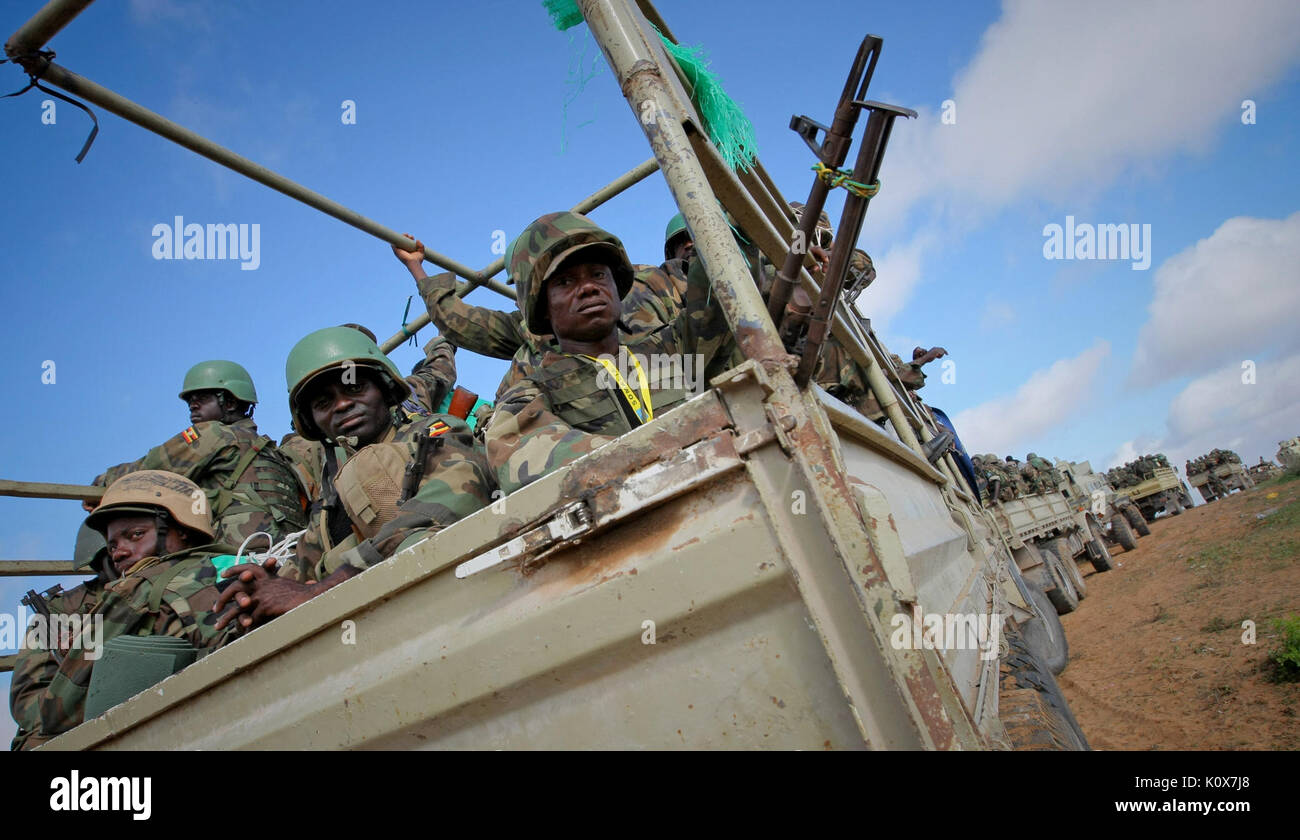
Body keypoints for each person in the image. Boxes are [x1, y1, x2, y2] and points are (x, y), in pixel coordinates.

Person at [213, 326, 495, 631]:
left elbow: (448, 505)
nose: (342, 405)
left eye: (356, 389)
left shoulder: (433, 434)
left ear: (386, 390)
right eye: (323, 403)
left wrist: (321, 590)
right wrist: (262, 593)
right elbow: (300, 575)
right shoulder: (327, 506)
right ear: (312, 422)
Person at [482, 211, 736, 494]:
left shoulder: (674, 344)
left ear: (617, 286)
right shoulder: (530, 395)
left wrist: (726, 221)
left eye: (598, 274)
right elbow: (534, 461)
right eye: (565, 281)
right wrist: (670, 449)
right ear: (542, 306)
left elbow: (727, 291)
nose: (588, 287)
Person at [35, 471, 237, 739]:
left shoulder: (136, 588)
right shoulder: (241, 563)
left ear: (181, 530)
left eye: (136, 535)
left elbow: (57, 713)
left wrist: (75, 655)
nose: (119, 552)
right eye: (112, 545)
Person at [86, 360, 307, 549]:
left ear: (229, 402)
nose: (193, 405)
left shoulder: (213, 433)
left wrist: (102, 484)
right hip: (287, 551)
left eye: (202, 397)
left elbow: (149, 470)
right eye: (190, 400)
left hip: (236, 555)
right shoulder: (272, 449)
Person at [8, 523, 115, 750]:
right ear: (100, 559)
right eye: (115, 546)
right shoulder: (61, 610)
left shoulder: (158, 589)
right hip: (73, 722)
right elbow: (28, 706)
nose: (126, 551)